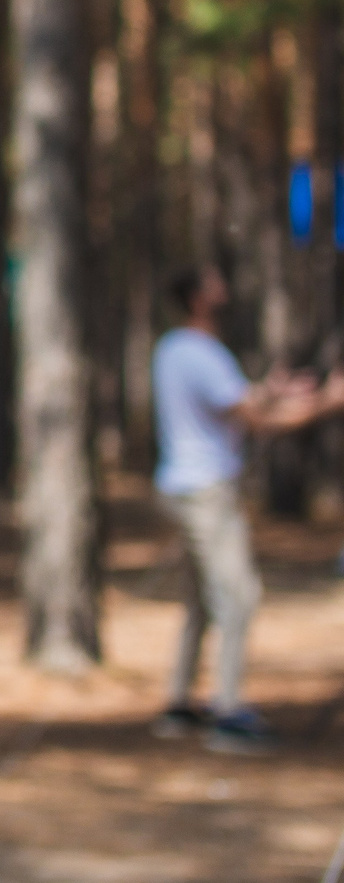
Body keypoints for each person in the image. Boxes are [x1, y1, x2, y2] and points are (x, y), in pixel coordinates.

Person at [148, 265, 344, 754]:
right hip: (207, 493)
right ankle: (228, 712)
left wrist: (274, 390)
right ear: (197, 298)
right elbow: (256, 422)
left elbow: (231, 403)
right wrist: (327, 402)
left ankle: (179, 702)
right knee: (237, 597)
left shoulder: (173, 349)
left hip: (178, 487)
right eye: (214, 282)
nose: (224, 287)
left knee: (199, 600)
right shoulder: (204, 353)